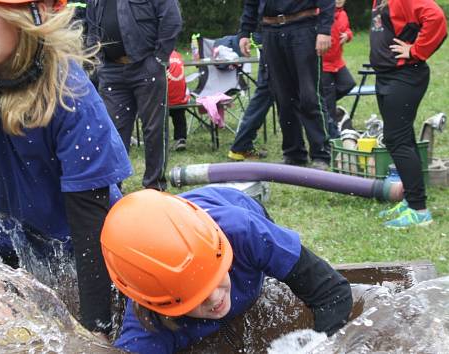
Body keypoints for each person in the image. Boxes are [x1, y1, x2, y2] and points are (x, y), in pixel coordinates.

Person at [0, 0, 132, 335]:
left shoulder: (70, 87)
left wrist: (97, 328)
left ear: (29, 19)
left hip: (78, 234)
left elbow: (88, 217)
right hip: (4, 232)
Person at [101, 187, 353, 353]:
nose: (215, 298)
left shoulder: (245, 233)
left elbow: (333, 293)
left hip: (231, 204)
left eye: (214, 277)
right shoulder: (150, 324)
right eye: (195, 297)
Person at [86, 0, 182, 191]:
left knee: (154, 130)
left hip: (146, 66)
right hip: (111, 69)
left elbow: (172, 19)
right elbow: (92, 27)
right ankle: (113, 189)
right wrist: (95, 59)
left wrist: (159, 59)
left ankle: (155, 188)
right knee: (112, 131)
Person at [370, 0, 446, 228]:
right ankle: (410, 199)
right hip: (386, 75)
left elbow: (436, 18)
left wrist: (415, 50)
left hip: (405, 75)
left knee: (397, 139)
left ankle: (419, 210)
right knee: (402, 139)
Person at [239, 0, 334, 170]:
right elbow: (251, 2)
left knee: (309, 96)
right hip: (270, 30)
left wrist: (324, 30)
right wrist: (245, 32)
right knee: (282, 98)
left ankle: (321, 154)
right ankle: (293, 153)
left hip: (303, 28)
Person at [227, 32, 273, 161]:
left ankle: (242, 146)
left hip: (272, 37)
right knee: (265, 94)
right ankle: (241, 146)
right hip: (272, 38)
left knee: (267, 94)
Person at [321, 0, 356, 139]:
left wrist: (348, 35)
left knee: (348, 84)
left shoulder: (343, 14)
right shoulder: (321, 13)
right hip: (324, 63)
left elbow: (347, 29)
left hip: (337, 62)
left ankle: (321, 105)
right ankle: (332, 135)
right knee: (328, 98)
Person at [167, 50, 189, 152]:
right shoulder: (177, 55)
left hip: (164, 101)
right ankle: (181, 138)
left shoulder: (156, 55)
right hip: (181, 99)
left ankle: (160, 138)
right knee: (179, 114)